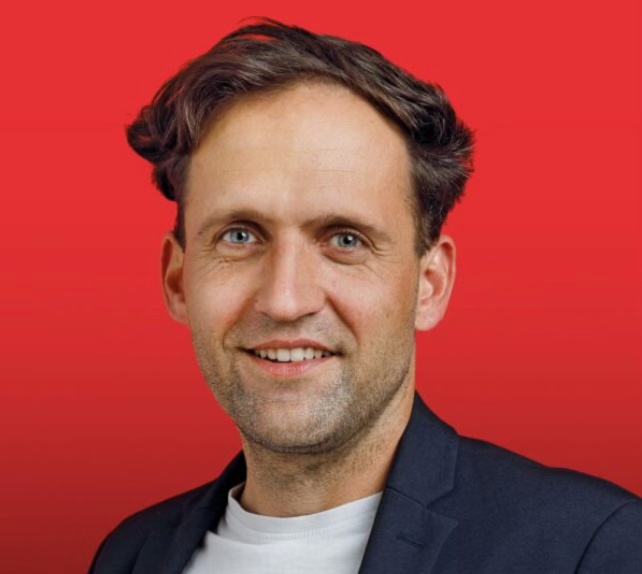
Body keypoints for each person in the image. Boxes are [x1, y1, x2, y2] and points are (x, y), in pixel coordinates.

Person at [88, 19, 641, 574]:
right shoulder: (131, 555)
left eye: (345, 240)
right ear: (178, 281)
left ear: (430, 285)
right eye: (240, 237)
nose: (284, 299)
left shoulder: (592, 549)